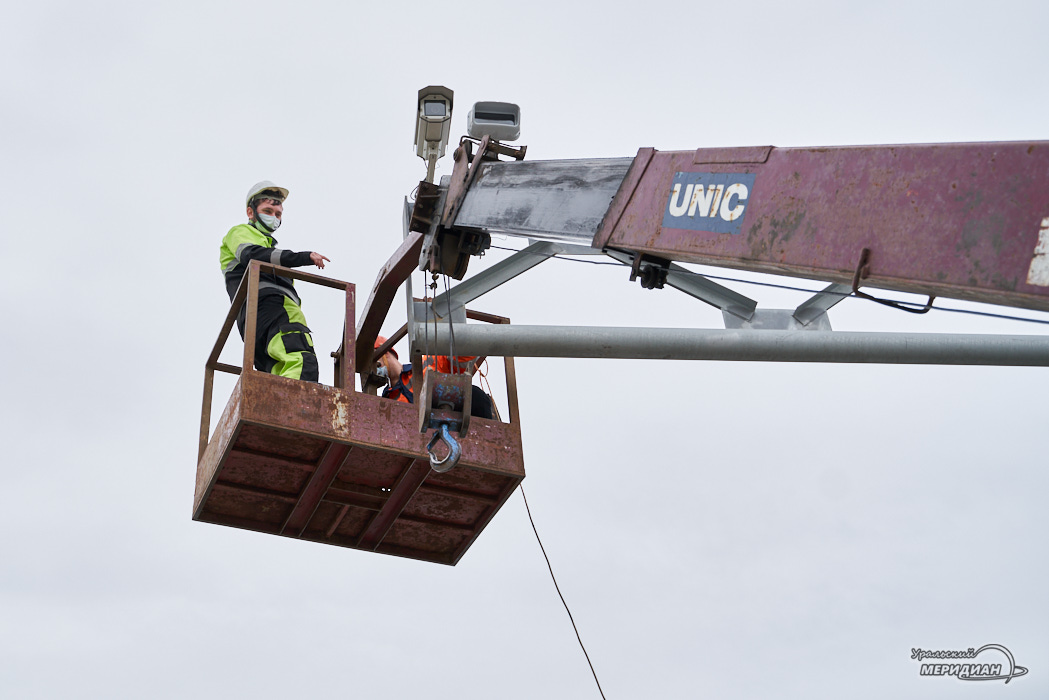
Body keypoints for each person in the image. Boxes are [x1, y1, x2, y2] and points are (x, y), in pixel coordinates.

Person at [219, 181, 331, 382]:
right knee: (300, 359)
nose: (273, 217)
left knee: (275, 377)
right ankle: (299, 409)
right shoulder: (241, 233)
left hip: (255, 322)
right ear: (251, 212)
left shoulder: (268, 247)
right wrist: (303, 257)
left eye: (278, 214)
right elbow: (251, 255)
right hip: (273, 310)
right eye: (268, 211)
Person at [374, 336, 495, 419]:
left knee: (474, 394)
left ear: (385, 353)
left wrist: (454, 336)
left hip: (451, 422)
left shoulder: (427, 363)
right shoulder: (388, 401)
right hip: (421, 440)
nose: (371, 369)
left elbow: (462, 358)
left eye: (373, 362)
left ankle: (487, 441)